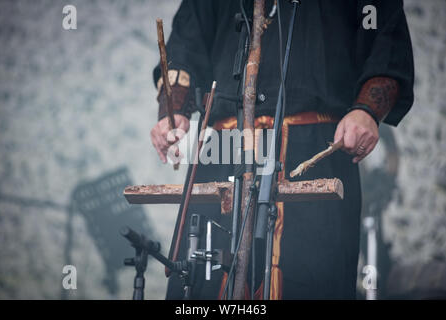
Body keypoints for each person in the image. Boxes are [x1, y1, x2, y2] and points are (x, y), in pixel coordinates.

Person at [150, 0, 414, 299]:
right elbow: (184, 46)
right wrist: (171, 112)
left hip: (313, 146)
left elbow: (386, 40)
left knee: (308, 277)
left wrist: (367, 110)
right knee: (203, 281)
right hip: (223, 149)